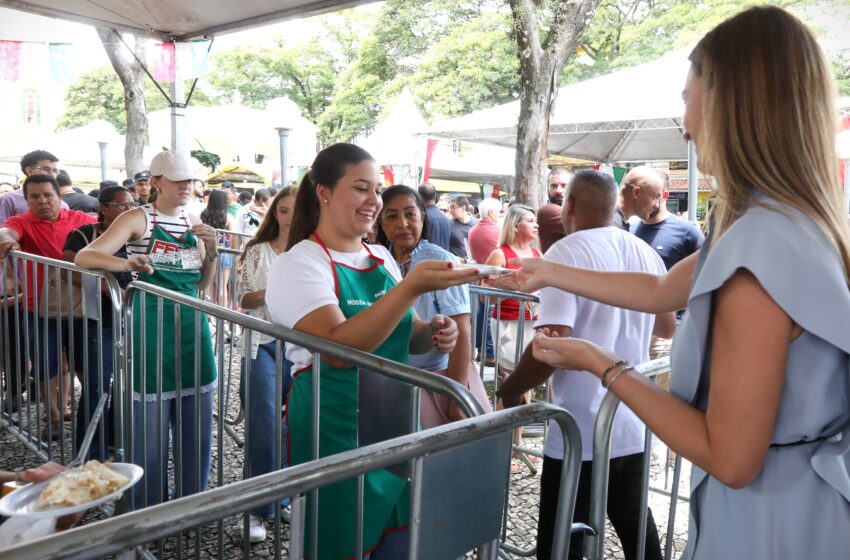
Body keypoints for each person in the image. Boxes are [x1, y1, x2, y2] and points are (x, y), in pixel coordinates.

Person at [502, 7, 850, 559]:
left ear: (730, 106)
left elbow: (731, 458)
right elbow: (661, 291)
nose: (683, 122)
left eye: (687, 97)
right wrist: (546, 270)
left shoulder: (757, 253)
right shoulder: (786, 222)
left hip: (772, 522)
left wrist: (600, 361)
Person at [266, 143, 478, 559]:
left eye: (376, 189)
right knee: (338, 541)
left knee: (398, 540)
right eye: (361, 188)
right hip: (334, 429)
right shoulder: (299, 264)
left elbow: (404, 334)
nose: (374, 201)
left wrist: (435, 332)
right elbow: (339, 349)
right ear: (324, 192)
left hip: (394, 423)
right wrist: (412, 287)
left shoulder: (379, 256)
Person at [498, 171, 672, 560]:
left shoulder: (565, 253)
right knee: (636, 528)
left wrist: (509, 391)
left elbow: (550, 345)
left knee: (562, 539)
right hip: (630, 413)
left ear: (569, 206)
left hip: (580, 424)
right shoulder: (642, 249)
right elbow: (666, 325)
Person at [75, 149, 219, 508]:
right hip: (149, 328)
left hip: (193, 326)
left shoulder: (194, 220)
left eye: (190, 180)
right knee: (148, 429)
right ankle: (145, 508)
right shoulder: (137, 218)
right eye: (178, 180)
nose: (186, 186)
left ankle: (190, 503)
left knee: (196, 424)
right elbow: (85, 257)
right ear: (156, 183)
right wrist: (126, 262)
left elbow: (201, 284)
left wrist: (214, 251)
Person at [377, 185, 491, 429]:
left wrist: (457, 397)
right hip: (389, 384)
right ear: (381, 221)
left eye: (410, 214)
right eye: (392, 216)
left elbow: (462, 332)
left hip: (433, 383)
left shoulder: (441, 261)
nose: (403, 224)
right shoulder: (377, 260)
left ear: (422, 217)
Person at [0, 174, 97, 438]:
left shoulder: (81, 219)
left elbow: (111, 228)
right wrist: (6, 241)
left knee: (85, 363)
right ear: (27, 199)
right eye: (35, 196)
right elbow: (6, 232)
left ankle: (95, 415)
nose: (42, 201)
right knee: (46, 364)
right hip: (38, 308)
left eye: (47, 195)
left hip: (80, 305)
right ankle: (53, 415)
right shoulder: (20, 221)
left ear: (58, 196)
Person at [235, 186, 297, 543]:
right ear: (275, 213)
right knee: (264, 425)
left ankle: (284, 496)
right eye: (284, 210)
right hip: (263, 345)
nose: (289, 216)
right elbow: (244, 297)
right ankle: (257, 508)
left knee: (294, 427)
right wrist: (278, 290)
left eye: (295, 210)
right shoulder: (258, 250)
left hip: (301, 348)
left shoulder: (310, 251)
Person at [62, 186, 136, 461]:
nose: (128, 210)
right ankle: (88, 454)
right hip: (97, 319)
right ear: (103, 207)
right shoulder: (82, 234)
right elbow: (69, 266)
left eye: (131, 205)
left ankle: (115, 441)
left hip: (132, 318)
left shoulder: (137, 235)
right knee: (97, 385)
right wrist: (104, 285)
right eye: (120, 205)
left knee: (128, 383)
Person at [483, 204, 540, 472]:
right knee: (512, 383)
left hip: (532, 323)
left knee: (525, 382)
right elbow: (484, 292)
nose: (536, 225)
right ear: (516, 225)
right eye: (531, 220)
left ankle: (514, 446)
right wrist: (512, 286)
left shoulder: (537, 253)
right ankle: (497, 442)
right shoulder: (499, 253)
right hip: (507, 324)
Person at [631, 169, 704, 363]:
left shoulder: (687, 231)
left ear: (663, 195)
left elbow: (701, 280)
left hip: (667, 336)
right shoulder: (629, 229)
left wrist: (683, 324)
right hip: (634, 330)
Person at [467, 197, 501, 365]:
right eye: (498, 212)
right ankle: (488, 351)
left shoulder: (473, 230)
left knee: (481, 315)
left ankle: (481, 349)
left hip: (479, 278)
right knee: (488, 315)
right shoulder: (496, 231)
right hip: (492, 279)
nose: (499, 215)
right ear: (490, 212)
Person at [0, 150, 69, 225]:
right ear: (29, 171)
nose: (52, 174)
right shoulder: (10, 200)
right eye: (45, 169)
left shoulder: (63, 205)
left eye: (55, 170)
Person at [200, 190, 235, 307]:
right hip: (224, 253)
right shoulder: (228, 217)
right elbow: (233, 237)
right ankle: (222, 317)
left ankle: (207, 315)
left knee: (207, 286)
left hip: (207, 252)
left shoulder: (203, 215)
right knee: (222, 287)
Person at [537, 166, 571, 253]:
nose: (558, 191)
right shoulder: (548, 211)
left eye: (564, 186)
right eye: (554, 186)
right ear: (548, 189)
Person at [418, 182, 451, 251]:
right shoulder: (446, 218)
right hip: (445, 260)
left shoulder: (421, 217)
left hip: (426, 260)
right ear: (435, 196)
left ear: (418, 196)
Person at [448, 195, 478, 260]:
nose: (450, 210)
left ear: (463, 208)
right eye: (450, 207)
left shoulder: (477, 224)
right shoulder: (448, 224)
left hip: (473, 264)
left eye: (453, 207)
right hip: (456, 265)